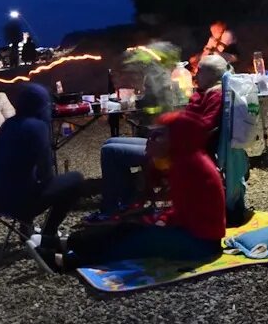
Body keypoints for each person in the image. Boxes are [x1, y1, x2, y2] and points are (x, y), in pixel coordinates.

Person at [48, 102, 224, 270]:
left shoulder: (187, 166)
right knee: (129, 227)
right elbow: (181, 209)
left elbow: (187, 214)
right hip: (194, 232)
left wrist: (156, 221)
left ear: (175, 139)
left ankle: (70, 259)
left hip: (201, 242)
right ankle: (69, 243)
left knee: (136, 239)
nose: (150, 139)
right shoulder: (184, 159)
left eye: (158, 136)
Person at [98, 53, 229, 213]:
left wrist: (168, 134)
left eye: (200, 70)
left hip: (178, 151)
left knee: (109, 151)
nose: (196, 74)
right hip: (174, 144)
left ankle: (110, 209)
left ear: (211, 74)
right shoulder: (207, 92)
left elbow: (203, 128)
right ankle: (128, 201)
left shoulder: (215, 95)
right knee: (111, 142)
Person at [0, 82, 84, 241]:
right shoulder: (37, 127)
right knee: (75, 179)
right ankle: (48, 235)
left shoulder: (8, 124)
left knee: (24, 178)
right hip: (17, 205)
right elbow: (47, 175)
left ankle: (27, 230)